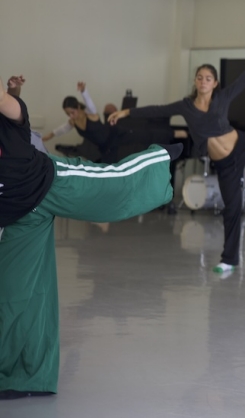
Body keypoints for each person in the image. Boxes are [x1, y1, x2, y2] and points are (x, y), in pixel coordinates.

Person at [0, 77, 178, 399]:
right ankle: (21, 377)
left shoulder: (10, 115)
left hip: (47, 183)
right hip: (16, 213)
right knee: (16, 293)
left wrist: (14, 92)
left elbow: (7, 102)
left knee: (111, 185)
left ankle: (157, 159)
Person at [109, 44, 245, 274]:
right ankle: (229, 260)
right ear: (195, 81)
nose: (203, 81)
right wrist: (126, 112)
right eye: (200, 77)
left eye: (208, 78)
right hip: (226, 165)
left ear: (215, 83)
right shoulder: (186, 107)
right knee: (232, 208)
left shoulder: (223, 97)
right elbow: (158, 110)